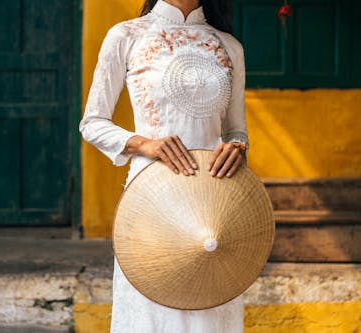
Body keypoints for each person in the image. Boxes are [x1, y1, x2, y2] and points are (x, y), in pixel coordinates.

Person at [79, 0, 249, 331]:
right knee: (151, 319)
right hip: (150, 201)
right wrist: (146, 144)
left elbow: (236, 131)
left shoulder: (229, 46)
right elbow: (92, 123)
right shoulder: (127, 36)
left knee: (210, 318)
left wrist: (238, 148)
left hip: (214, 208)